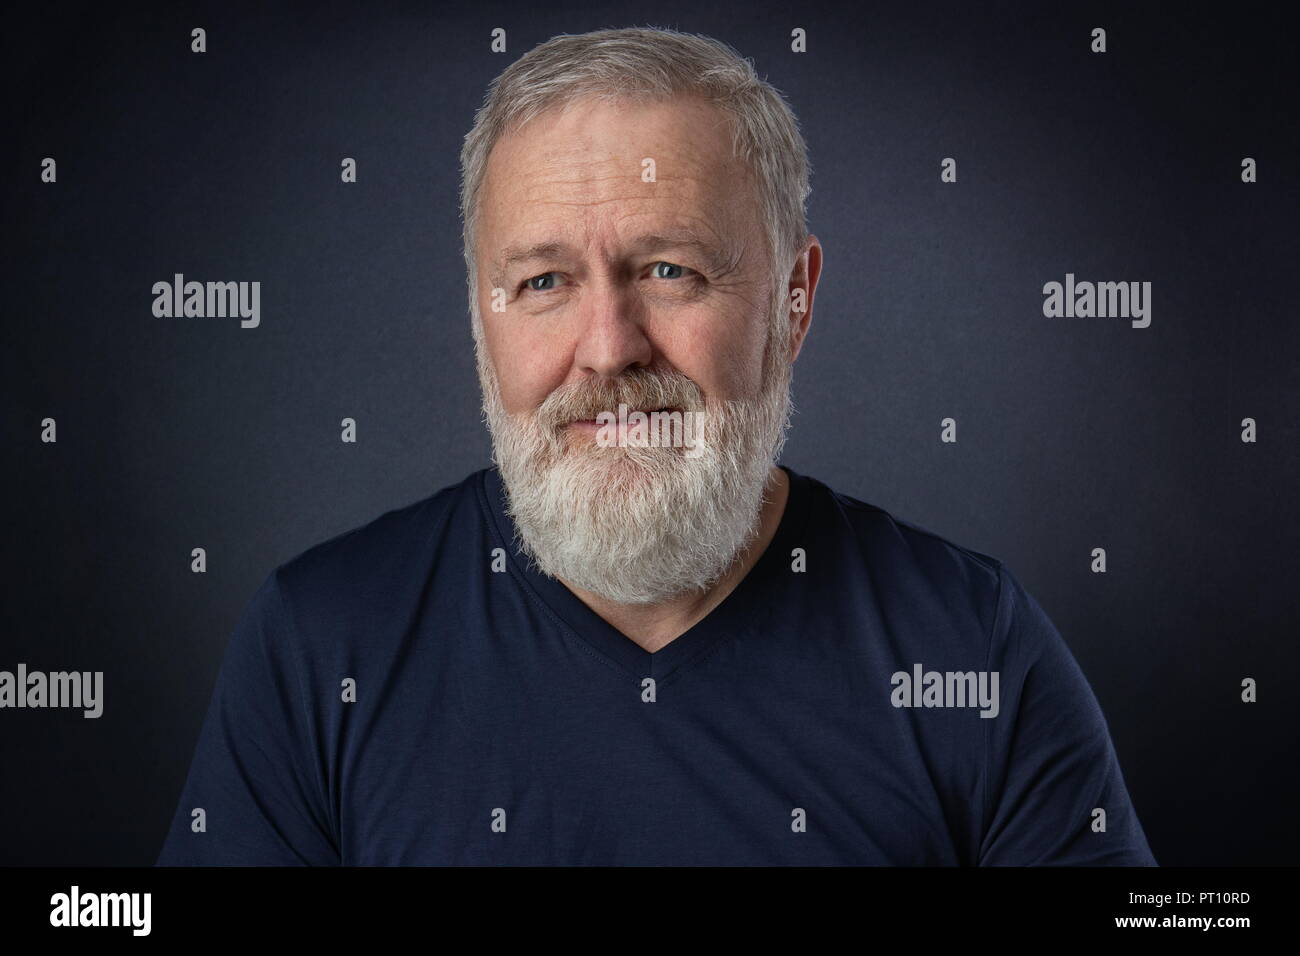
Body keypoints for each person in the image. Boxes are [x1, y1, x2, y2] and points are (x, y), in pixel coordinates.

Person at [157, 26, 1156, 866]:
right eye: (543, 281)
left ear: (792, 301)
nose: (607, 348)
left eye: (670, 268)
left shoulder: (972, 647)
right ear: (480, 314)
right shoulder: (318, 642)